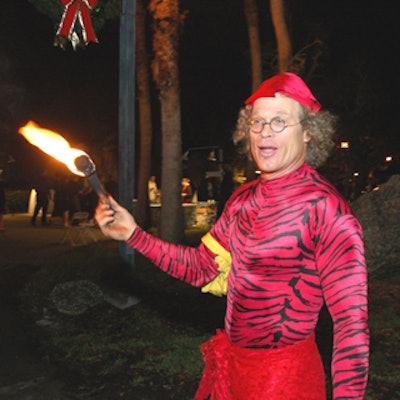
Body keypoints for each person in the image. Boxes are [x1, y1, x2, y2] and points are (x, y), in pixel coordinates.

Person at [95, 72, 369, 400]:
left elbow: (352, 326)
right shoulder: (242, 200)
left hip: (287, 381)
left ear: (309, 133)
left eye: (280, 121)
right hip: (235, 372)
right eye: (257, 122)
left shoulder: (327, 209)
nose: (265, 131)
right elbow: (201, 268)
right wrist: (134, 234)